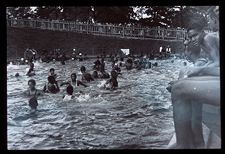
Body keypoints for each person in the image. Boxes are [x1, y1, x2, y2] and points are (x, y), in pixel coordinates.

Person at [167, 13, 220, 149]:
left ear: (202, 32)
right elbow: (212, 62)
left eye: (195, 35)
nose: (192, 39)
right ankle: (196, 141)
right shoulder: (204, 41)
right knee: (184, 79)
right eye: (190, 37)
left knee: (181, 86)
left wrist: (198, 70)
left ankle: (187, 143)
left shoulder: (207, 38)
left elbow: (216, 63)